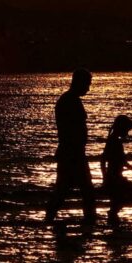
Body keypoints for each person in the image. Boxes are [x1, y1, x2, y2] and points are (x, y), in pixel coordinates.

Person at [44, 68, 96, 224]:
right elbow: (69, 130)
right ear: (78, 82)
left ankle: (87, 220)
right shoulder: (68, 101)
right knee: (78, 191)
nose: (88, 88)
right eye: (87, 84)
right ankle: (88, 221)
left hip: (74, 152)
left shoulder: (70, 100)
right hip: (72, 154)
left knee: (69, 190)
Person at [101, 114, 132, 226]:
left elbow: (122, 162)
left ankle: (113, 218)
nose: (127, 133)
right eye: (127, 130)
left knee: (120, 199)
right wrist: (105, 177)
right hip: (114, 178)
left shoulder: (115, 141)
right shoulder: (113, 141)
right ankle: (112, 217)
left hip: (117, 177)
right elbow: (103, 160)